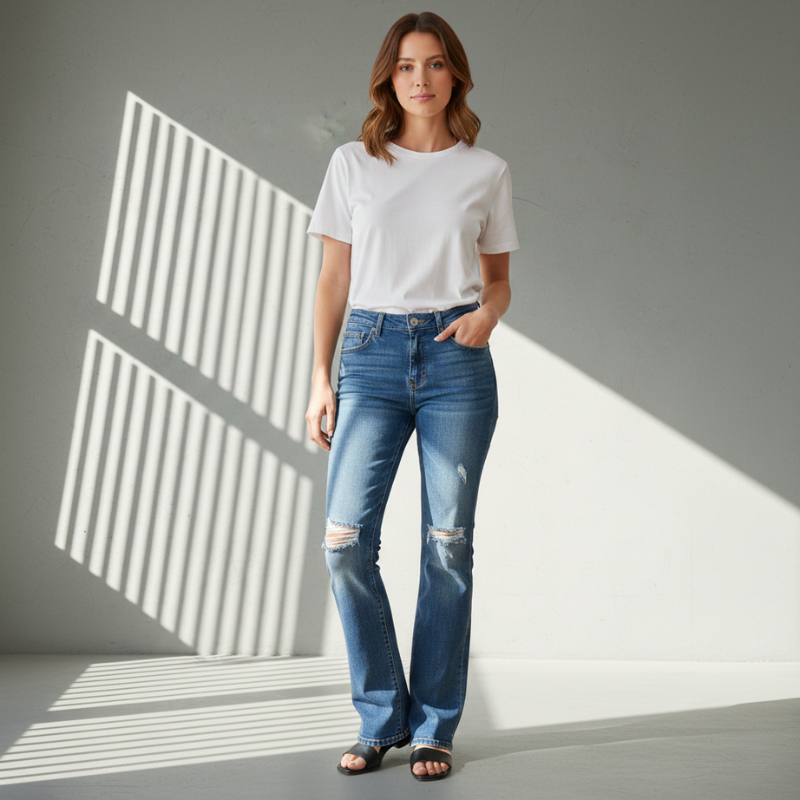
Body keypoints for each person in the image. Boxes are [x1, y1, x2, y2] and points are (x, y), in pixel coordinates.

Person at [305, 11, 518, 781]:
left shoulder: (485, 170)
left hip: (457, 362)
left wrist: (486, 317)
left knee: (447, 545)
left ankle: (432, 728)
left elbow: (498, 283)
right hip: (369, 354)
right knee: (345, 542)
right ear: (387, 78)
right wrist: (320, 378)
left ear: (454, 74)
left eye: (433, 64)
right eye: (404, 66)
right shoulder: (353, 164)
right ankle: (380, 715)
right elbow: (333, 279)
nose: (419, 79)